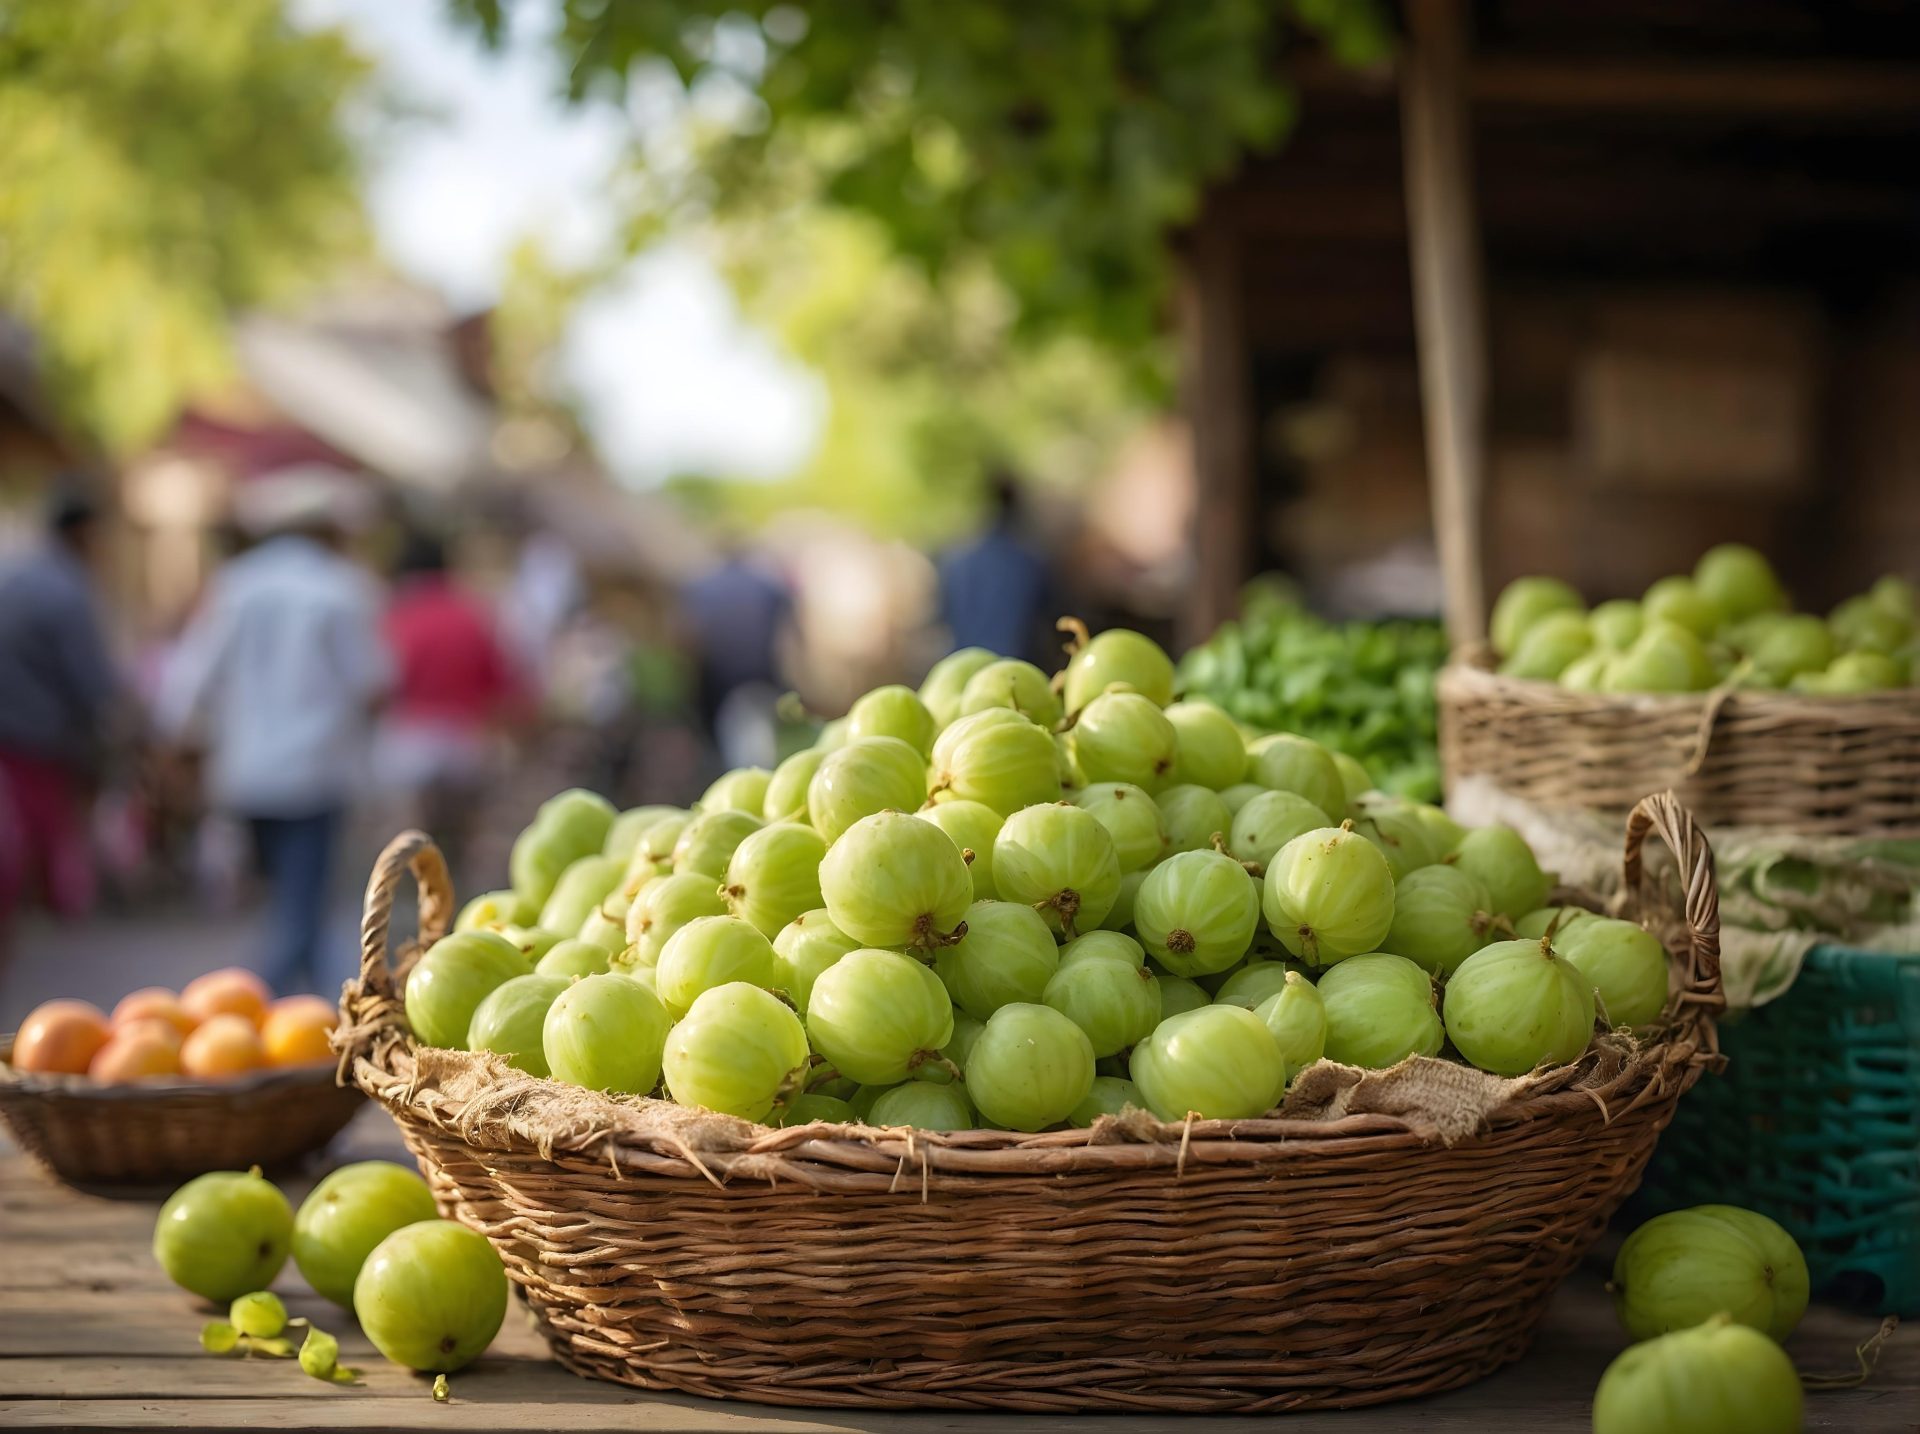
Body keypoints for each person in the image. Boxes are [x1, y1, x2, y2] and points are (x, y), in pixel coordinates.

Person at [155, 468, 391, 996]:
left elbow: (189, 683)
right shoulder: (344, 588)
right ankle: (258, 1007)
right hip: (316, 774)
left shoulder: (237, 584)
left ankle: (299, 1022)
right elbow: (373, 685)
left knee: (289, 907)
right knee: (300, 910)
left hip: (246, 774)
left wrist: (175, 751)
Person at [0, 486, 120, 923]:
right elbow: (91, 678)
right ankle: (57, 907)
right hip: (39, 735)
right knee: (45, 830)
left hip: (15, 730)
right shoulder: (66, 586)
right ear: (84, 531)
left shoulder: (15, 573)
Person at [374, 525, 520, 875]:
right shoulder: (472, 611)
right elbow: (499, 680)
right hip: (464, 737)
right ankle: (450, 887)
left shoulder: (396, 614)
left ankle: (406, 892)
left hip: (410, 737)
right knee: (458, 833)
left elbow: (381, 680)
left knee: (407, 830)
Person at [680, 541, 792, 769]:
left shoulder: (699, 587)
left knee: (729, 753)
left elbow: (690, 638)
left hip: (719, 681)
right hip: (762, 674)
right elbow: (787, 633)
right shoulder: (766, 584)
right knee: (768, 747)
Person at [936, 471, 1056, 664]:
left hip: (962, 661)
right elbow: (1049, 611)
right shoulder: (1029, 560)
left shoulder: (957, 560)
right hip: (1015, 662)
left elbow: (941, 614)